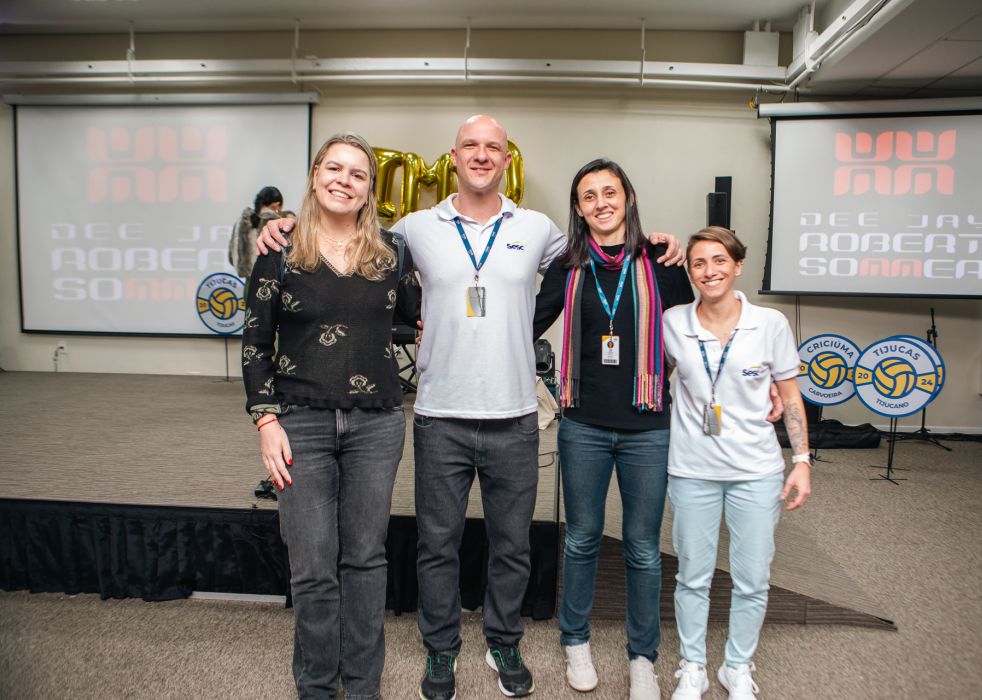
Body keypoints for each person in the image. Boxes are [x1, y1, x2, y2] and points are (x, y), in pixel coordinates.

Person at [255, 115, 683, 700]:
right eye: (470, 146)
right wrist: (283, 225)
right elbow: (346, 238)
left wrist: (660, 243)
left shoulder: (538, 229)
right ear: (453, 157)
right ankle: (440, 649)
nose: (481, 155)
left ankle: (503, 640)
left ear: (507, 159)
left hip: (515, 416)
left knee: (512, 546)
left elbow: (605, 245)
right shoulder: (410, 231)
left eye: (493, 148)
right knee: (437, 546)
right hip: (439, 416)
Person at [241, 132, 419, 700]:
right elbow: (255, 343)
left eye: (358, 174)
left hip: (377, 424)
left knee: (365, 559)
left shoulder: (392, 253)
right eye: (334, 169)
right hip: (300, 423)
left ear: (370, 190)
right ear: (315, 176)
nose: (345, 180)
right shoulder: (279, 249)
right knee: (313, 566)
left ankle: (363, 686)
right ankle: (316, 686)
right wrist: (266, 422)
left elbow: (417, 318)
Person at [533, 159, 694, 699]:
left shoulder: (664, 262)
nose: (601, 202)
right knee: (581, 540)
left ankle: (643, 656)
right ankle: (574, 639)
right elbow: (525, 323)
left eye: (610, 192)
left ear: (628, 198)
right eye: (589, 196)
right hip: (583, 426)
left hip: (648, 428)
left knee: (643, 548)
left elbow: (698, 334)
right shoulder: (567, 266)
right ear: (578, 209)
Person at [662, 226, 812, 700]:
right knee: (692, 576)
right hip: (692, 469)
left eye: (719, 261)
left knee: (752, 578)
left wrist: (802, 460)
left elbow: (789, 396)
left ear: (738, 265)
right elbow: (649, 377)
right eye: (699, 263)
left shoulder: (770, 324)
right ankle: (693, 666)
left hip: (756, 472)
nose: (710, 271)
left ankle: (737, 666)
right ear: (690, 272)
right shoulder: (672, 322)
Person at [229, 185, 293, 279]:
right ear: (276, 204)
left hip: (248, 282)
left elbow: (231, 257)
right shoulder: (274, 222)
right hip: (269, 281)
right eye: (281, 207)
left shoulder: (241, 222)